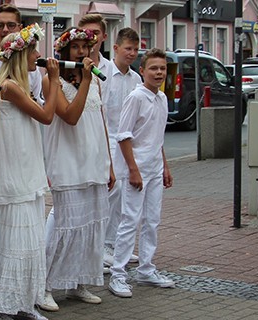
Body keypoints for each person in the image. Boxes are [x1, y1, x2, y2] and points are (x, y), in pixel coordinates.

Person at [0, 24, 59, 320]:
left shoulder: (20, 85)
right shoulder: (11, 86)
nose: (39, 56)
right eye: (34, 50)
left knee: (29, 240)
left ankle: (22, 302)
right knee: (17, 239)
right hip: (16, 173)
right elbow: (47, 116)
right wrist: (52, 79)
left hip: (26, 167)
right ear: (22, 54)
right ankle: (8, 303)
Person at [39, 27, 114, 312]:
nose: (82, 52)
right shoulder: (51, 81)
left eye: (86, 47)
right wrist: (84, 80)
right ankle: (44, 284)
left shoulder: (94, 81)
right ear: (65, 52)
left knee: (90, 225)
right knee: (64, 224)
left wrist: (109, 163)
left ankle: (78, 281)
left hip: (94, 160)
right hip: (68, 161)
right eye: (76, 48)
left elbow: (101, 122)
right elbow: (70, 116)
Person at [108, 48, 175, 298]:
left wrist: (165, 166)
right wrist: (133, 170)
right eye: (154, 68)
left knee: (152, 220)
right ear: (142, 71)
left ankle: (147, 269)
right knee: (129, 220)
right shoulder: (136, 97)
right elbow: (123, 135)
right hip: (136, 171)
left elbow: (158, 137)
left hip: (155, 169)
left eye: (162, 69)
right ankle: (118, 273)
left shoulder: (162, 98)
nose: (159, 73)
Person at [103, 28, 143, 270]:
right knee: (112, 191)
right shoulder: (105, 73)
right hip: (108, 139)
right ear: (116, 48)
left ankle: (118, 242)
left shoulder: (136, 79)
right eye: (128, 48)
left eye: (136, 50)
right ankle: (104, 244)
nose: (132, 53)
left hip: (126, 141)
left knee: (124, 195)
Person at [0, 4, 45, 106]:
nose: (5, 30)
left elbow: (37, 100)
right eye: (0, 25)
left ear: (20, 28)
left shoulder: (30, 65)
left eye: (11, 25)